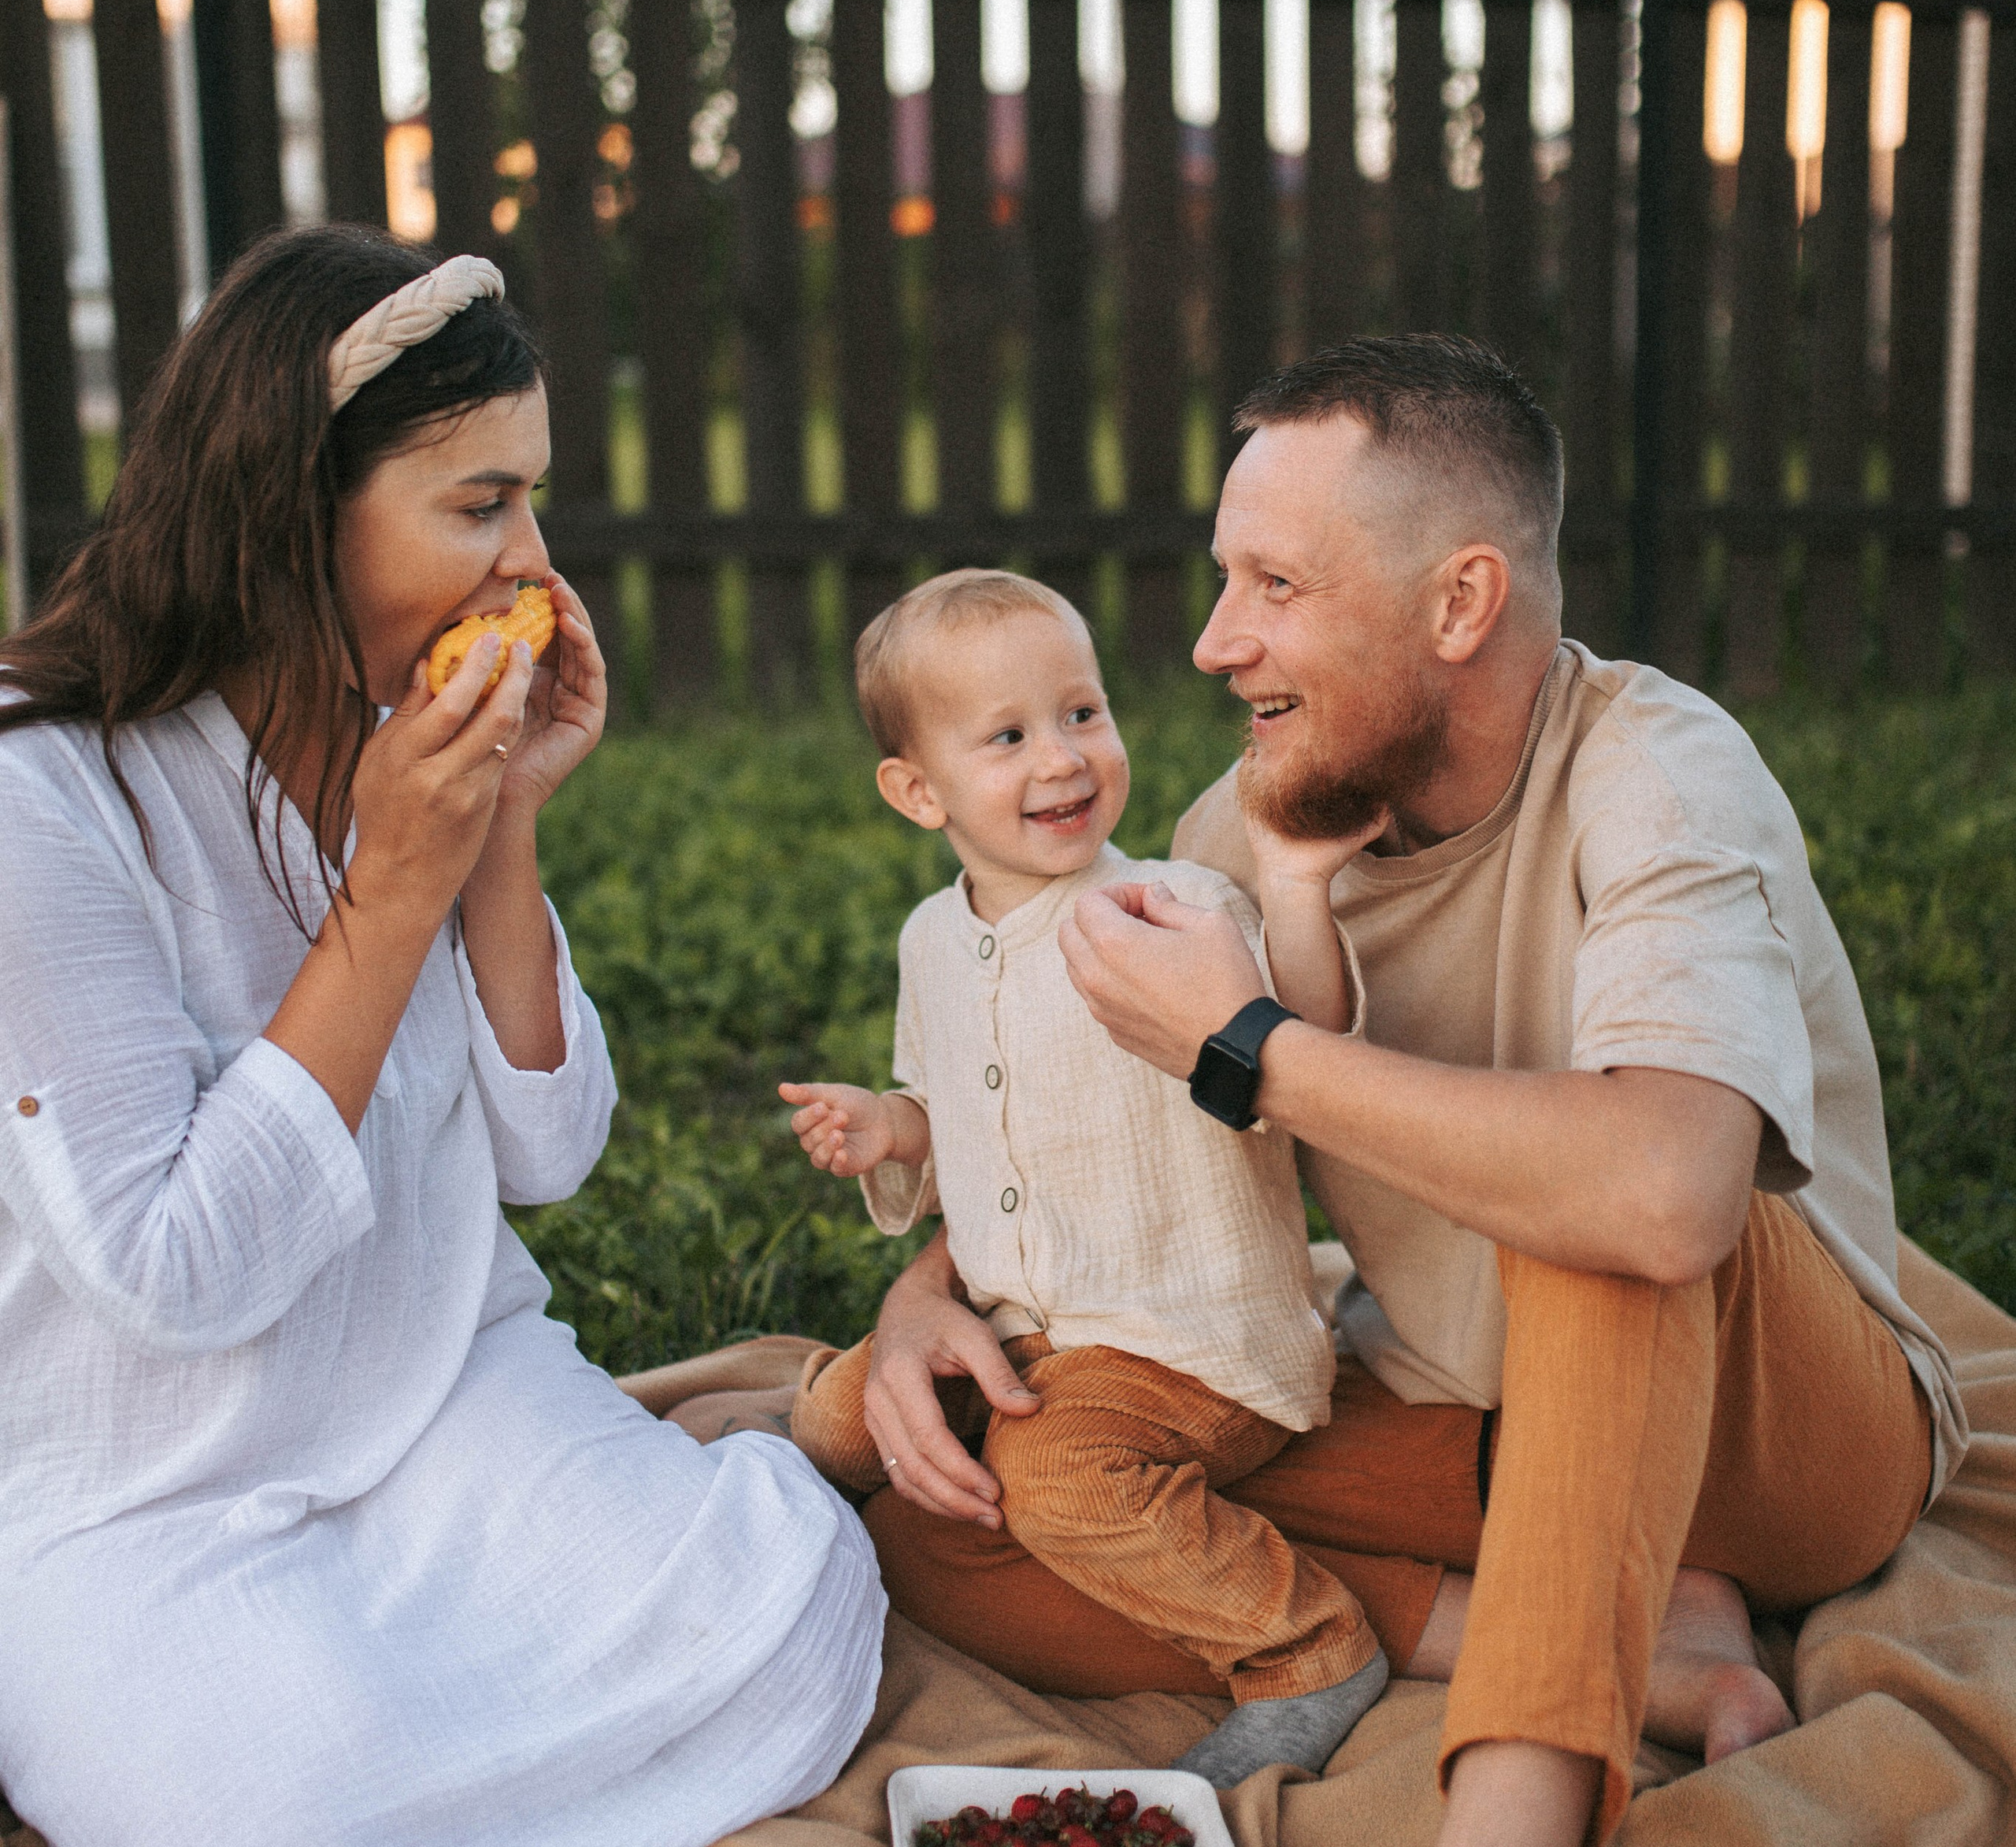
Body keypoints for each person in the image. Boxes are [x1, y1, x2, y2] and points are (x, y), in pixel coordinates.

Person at [847, 338, 1964, 1847]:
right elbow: (1085, 1127)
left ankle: (1513, 1802)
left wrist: (1247, 1044)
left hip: (1790, 1446)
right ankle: (1643, 1641)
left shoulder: (1659, 772)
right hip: (1476, 1436)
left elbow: (1669, 1193)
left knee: (1603, 1208)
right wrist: (932, 1290)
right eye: (1223, 580)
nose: (1213, 644)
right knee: (963, 1511)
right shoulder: (1228, 845)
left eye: (1276, 587)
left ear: (1462, 601)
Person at [0, 226, 884, 1847]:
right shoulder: (44, 799)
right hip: (145, 1488)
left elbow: (549, 1155)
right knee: (267, 1799)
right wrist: (392, 886)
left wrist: (498, 835)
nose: (531, 565)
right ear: (288, 518)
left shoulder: (403, 742)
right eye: (478, 506)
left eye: (531, 500)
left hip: (440, 1393)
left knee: (792, 1610)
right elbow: (174, 1269)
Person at [778, 568, 1389, 1785]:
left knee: (1055, 1481)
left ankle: (1307, 1648)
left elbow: (1306, 1049)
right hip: (1027, 1326)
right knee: (832, 1417)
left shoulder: (1177, 908)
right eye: (1007, 737)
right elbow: (974, 1126)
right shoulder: (932, 942)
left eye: (1081, 714)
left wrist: (1297, 889)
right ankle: (805, 1561)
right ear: (916, 790)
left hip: (1184, 1336)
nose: (1061, 759)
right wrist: (892, 1131)